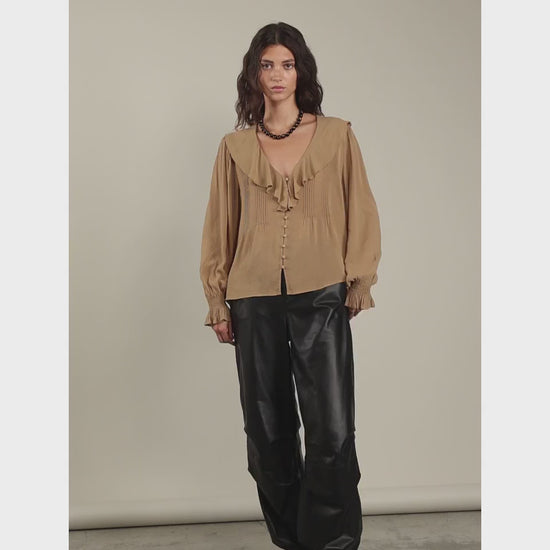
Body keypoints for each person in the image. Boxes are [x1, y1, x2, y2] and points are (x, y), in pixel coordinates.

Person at [199, 22, 381, 550]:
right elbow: (220, 225)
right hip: (252, 297)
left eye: (287, 64)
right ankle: (293, 539)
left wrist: (357, 280)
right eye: (267, 65)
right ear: (253, 75)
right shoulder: (234, 147)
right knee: (267, 430)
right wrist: (217, 300)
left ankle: (333, 541)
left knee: (331, 428)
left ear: (301, 71)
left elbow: (361, 210)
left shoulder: (337, 135)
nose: (277, 75)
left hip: (321, 291)